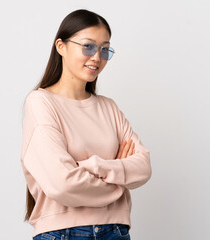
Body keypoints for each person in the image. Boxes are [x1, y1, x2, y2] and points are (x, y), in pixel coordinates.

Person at [20, 9, 152, 240]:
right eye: (88, 46)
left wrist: (92, 166)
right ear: (61, 46)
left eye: (104, 50)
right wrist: (119, 180)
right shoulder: (40, 102)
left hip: (116, 231)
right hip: (64, 233)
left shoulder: (108, 107)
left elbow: (142, 168)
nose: (97, 57)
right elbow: (62, 184)